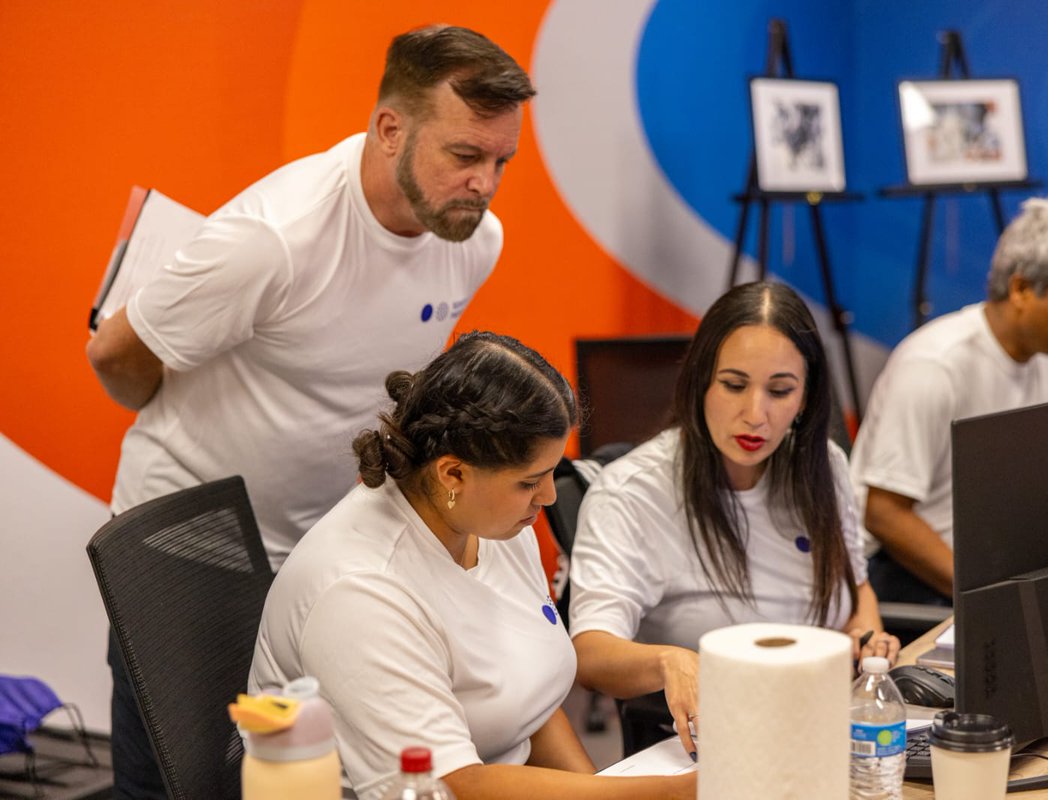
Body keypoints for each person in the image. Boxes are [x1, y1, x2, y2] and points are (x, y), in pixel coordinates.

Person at [85, 25, 534, 799]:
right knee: (183, 780)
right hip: (190, 534)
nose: (484, 183)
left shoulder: (472, 239)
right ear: (389, 129)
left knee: (296, 778)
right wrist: (175, 420)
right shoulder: (274, 239)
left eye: (502, 162)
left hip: (318, 544)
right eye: (465, 155)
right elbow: (115, 354)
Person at [249, 332, 695, 800]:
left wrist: (599, 789)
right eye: (530, 482)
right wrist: (672, 793)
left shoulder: (489, 520)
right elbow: (452, 785)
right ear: (453, 473)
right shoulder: (360, 592)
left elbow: (531, 707)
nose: (548, 497)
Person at [568, 281, 901, 759]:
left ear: (806, 399)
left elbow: (856, 585)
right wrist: (669, 662)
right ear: (701, 381)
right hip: (709, 745)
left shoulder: (823, 466)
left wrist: (864, 640)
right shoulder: (632, 493)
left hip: (825, 724)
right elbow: (591, 653)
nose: (755, 414)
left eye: (780, 391)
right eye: (734, 385)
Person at [848, 197, 1048, 605]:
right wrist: (991, 600)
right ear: (1021, 289)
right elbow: (884, 515)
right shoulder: (933, 367)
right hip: (905, 573)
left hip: (993, 564)